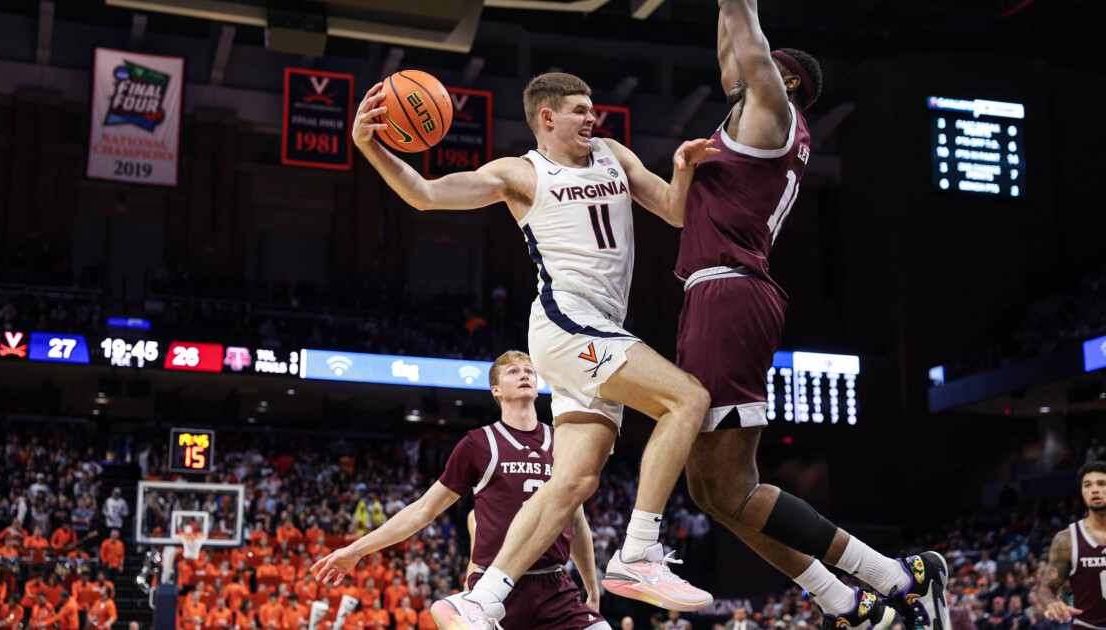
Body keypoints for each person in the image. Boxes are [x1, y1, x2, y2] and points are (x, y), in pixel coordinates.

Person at [349, 70, 720, 627]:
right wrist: (368, 145)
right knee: (687, 399)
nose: (592, 119)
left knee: (574, 481)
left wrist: (683, 171)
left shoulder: (614, 156)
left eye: (592, 109)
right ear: (546, 118)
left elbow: (673, 210)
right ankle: (639, 549)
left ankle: (483, 597)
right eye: (579, 110)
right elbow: (424, 196)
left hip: (597, 331)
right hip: (569, 325)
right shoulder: (521, 173)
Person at [668, 4, 948, 630]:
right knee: (710, 491)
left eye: (759, 68)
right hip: (720, 294)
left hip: (729, 295)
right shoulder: (753, 124)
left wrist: (738, 8)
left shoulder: (775, 112)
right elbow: (728, 52)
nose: (738, 71)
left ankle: (898, 577)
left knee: (734, 486)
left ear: (785, 80)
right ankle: (843, 601)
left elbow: (746, 39)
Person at [312, 351, 608, 630]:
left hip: (554, 586)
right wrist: (356, 550)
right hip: (495, 588)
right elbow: (423, 510)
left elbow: (576, 519)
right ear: (496, 391)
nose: (524, 374)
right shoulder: (477, 443)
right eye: (513, 371)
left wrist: (592, 589)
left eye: (529, 370)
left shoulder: (563, 442)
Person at [1036, 461, 1106, 628]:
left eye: (1102, 483)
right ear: (1082, 492)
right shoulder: (1066, 539)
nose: (1094, 490)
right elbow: (1046, 590)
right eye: (1087, 485)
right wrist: (1052, 603)